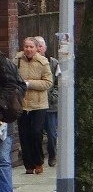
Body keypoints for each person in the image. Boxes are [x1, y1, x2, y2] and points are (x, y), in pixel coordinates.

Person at [15, 37, 53, 175]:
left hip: (38, 104)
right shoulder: (17, 60)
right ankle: (28, 165)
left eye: (31, 47)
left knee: (36, 133)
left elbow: (48, 83)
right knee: (24, 135)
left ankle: (38, 161)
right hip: (22, 104)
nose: (28, 49)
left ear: (37, 48)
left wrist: (29, 84)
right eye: (26, 46)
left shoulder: (43, 62)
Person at [0, 50, 25, 192]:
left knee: (3, 159)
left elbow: (18, 85)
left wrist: (4, 108)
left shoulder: (4, 64)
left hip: (2, 118)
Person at [33, 36, 59, 167]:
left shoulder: (53, 63)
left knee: (52, 133)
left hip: (50, 105)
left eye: (40, 46)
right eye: (35, 46)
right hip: (36, 104)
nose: (38, 49)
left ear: (45, 48)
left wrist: (53, 96)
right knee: (36, 132)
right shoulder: (31, 63)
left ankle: (52, 154)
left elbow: (58, 83)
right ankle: (38, 159)